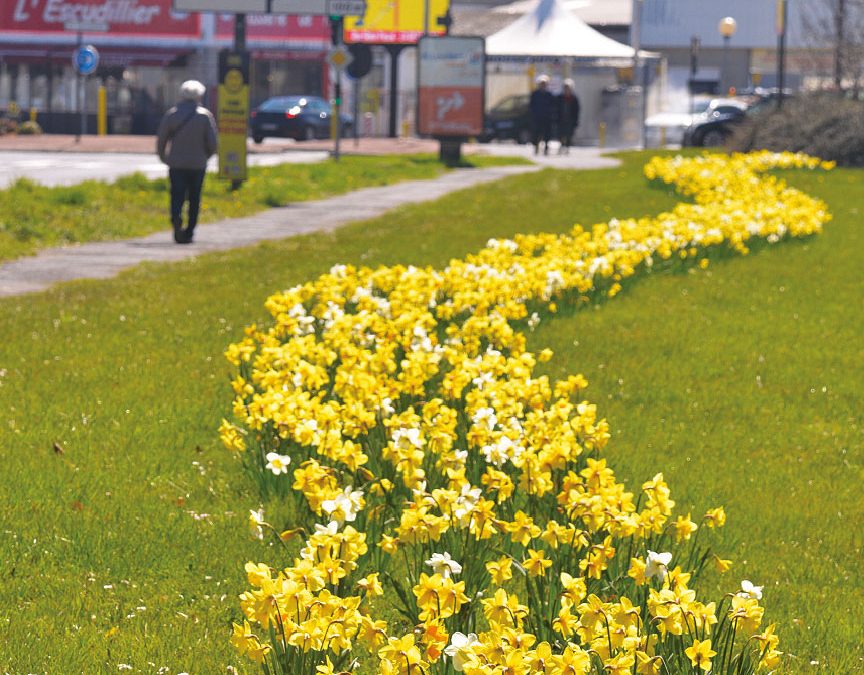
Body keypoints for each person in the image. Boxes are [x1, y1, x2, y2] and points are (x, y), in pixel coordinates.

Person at [156, 80, 218, 244]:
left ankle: (176, 218)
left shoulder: (172, 114)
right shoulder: (205, 116)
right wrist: (205, 156)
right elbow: (213, 143)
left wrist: (164, 158)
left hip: (176, 163)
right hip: (198, 164)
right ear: (199, 95)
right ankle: (190, 230)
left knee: (177, 195)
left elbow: (162, 140)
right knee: (194, 198)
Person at [529, 74, 556, 155]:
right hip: (537, 117)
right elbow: (531, 105)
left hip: (547, 118)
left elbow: (553, 106)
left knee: (547, 134)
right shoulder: (535, 94)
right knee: (536, 133)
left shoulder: (549, 95)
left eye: (544, 83)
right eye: (541, 83)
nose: (543, 85)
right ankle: (536, 147)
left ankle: (546, 148)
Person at [557, 78, 580, 154]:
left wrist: (576, 121)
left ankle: (567, 147)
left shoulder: (574, 99)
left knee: (569, 135)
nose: (567, 89)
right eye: (565, 87)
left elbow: (577, 111)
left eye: (568, 88)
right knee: (560, 134)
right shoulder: (560, 98)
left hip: (570, 120)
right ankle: (561, 146)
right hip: (561, 119)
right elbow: (556, 109)